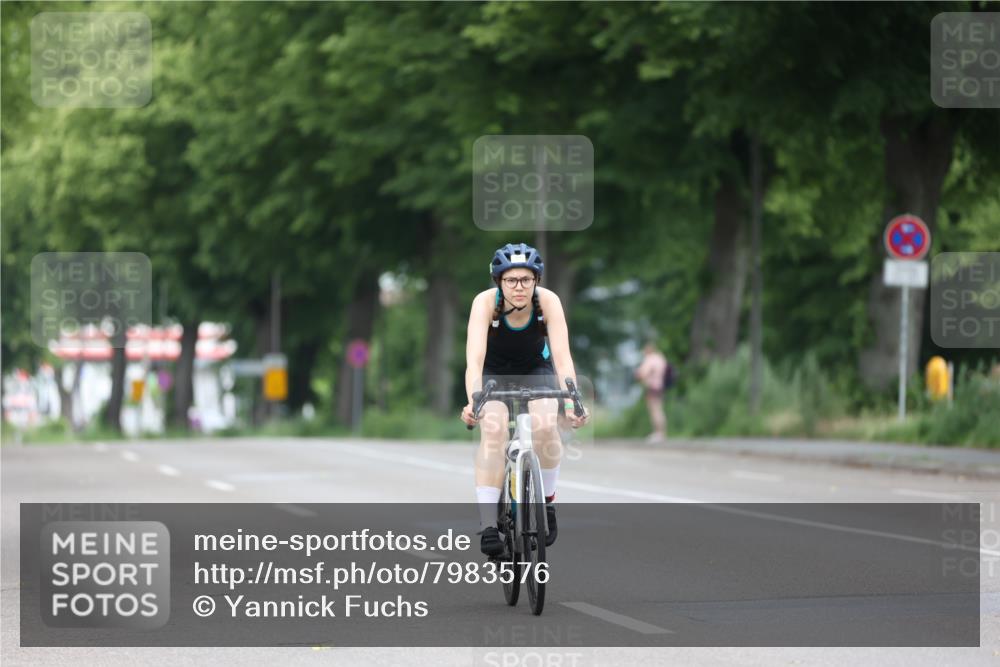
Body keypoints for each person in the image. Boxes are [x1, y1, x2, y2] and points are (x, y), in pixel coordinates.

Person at [461, 242, 589, 556]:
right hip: (493, 372)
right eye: (511, 280)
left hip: (535, 368)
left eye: (526, 280)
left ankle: (547, 503)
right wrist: (473, 402)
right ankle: (489, 526)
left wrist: (572, 403)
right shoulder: (484, 304)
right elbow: (474, 360)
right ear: (499, 281)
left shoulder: (548, 302)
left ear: (536, 280)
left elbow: (563, 358)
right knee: (494, 431)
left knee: (545, 425)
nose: (519, 287)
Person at [635, 342, 668, 443]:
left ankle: (658, 433)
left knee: (655, 411)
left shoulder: (650, 359)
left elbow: (642, 374)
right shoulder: (660, 358)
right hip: (660, 387)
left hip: (652, 387)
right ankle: (662, 433)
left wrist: (638, 374)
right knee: (659, 409)